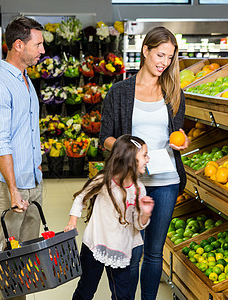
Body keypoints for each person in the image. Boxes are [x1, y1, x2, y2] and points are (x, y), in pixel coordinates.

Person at [99, 26, 189, 300]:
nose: (164, 62)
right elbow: (105, 139)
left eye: (170, 57)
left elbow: (177, 134)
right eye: (160, 54)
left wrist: (181, 142)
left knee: (153, 252)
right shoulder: (120, 92)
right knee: (130, 250)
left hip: (166, 183)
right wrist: (131, 149)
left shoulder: (173, 92)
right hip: (131, 183)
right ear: (145, 51)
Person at [0, 16, 45, 300]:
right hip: (5, 187)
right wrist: (13, 190)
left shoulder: (26, 81)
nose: (43, 51)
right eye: (38, 44)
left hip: (30, 182)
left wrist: (36, 170)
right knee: (0, 262)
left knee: (25, 262)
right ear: (18, 45)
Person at [64, 135, 155, 300]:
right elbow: (80, 198)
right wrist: (72, 222)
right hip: (95, 244)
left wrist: (145, 213)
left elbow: (138, 225)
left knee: (122, 295)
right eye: (144, 155)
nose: (148, 159)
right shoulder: (104, 180)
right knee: (85, 290)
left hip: (120, 248)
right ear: (130, 159)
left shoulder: (139, 189)